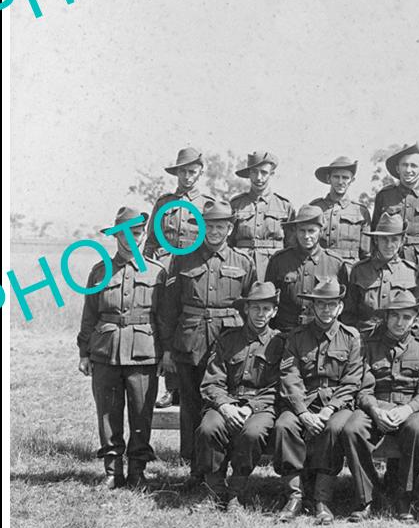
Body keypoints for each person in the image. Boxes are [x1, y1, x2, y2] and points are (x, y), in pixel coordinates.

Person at [157, 200, 256, 484]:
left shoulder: (243, 262)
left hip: (230, 344)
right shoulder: (183, 259)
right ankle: (196, 470)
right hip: (190, 343)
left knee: (227, 403)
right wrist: (166, 348)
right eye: (209, 226)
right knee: (191, 405)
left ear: (230, 228)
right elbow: (169, 309)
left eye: (220, 226)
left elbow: (251, 306)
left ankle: (228, 469)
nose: (214, 231)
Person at [77, 206, 164, 490]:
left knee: (141, 413)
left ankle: (137, 470)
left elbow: (164, 317)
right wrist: (84, 352)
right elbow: (90, 313)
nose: (132, 239)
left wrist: (166, 355)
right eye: (126, 234)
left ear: (142, 236)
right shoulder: (100, 271)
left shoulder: (157, 272)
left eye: (137, 233)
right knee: (108, 413)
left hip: (144, 352)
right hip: (106, 351)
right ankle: (112, 471)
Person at [340, 289, 419, 521]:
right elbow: (363, 388)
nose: (400, 322)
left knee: (417, 429)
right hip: (376, 406)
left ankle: (403, 497)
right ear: (386, 317)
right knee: (352, 429)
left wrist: (408, 409)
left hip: (410, 408)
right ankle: (366, 497)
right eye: (395, 316)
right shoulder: (369, 346)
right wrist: (375, 409)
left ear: (415, 321)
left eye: (406, 317)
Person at [273, 278, 364, 525]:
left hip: (337, 404)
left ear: (340, 307)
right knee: (284, 425)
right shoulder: (297, 336)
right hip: (302, 402)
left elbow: (352, 381)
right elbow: (289, 376)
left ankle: (322, 499)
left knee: (334, 428)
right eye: (321, 305)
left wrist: (329, 409)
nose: (326, 310)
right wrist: (302, 412)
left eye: (331, 304)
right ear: (312, 307)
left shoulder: (351, 337)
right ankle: (294, 496)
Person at [194, 282, 284, 511]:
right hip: (227, 402)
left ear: (274, 311)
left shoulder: (280, 343)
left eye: (266, 309)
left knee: (253, 433)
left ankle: (236, 492)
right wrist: (225, 406)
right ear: (246, 309)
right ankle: (215, 491)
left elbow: (278, 386)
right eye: (255, 308)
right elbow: (212, 381)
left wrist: (250, 408)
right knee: (208, 428)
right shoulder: (228, 339)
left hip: (261, 406)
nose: (260, 314)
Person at [144, 146, 214, 408]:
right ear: (177, 173)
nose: (188, 176)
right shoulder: (164, 203)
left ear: (200, 173)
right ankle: (171, 388)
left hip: (193, 271)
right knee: (167, 321)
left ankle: (198, 385)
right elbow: (151, 240)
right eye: (183, 171)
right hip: (166, 270)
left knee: (191, 321)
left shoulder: (207, 204)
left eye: (192, 172)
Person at [264, 205, 348, 332]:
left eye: (311, 231)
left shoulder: (335, 263)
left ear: (321, 231)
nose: (306, 236)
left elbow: (344, 306)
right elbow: (268, 301)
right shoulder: (279, 261)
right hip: (286, 332)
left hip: (321, 333)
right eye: (302, 231)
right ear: (295, 231)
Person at [371, 142, 419, 276]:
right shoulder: (385, 196)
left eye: (414, 166)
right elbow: (375, 234)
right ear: (398, 168)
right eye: (404, 165)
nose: (408, 170)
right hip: (390, 261)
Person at [345, 212, 419, 337]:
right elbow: (349, 314)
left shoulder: (412, 272)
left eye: (394, 239)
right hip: (366, 340)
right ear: (376, 240)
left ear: (402, 241)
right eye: (384, 239)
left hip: (398, 341)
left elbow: (418, 316)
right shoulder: (360, 270)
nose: (389, 245)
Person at [228, 151, 293, 280]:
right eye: (254, 172)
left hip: (273, 267)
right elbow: (229, 241)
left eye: (264, 172)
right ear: (249, 174)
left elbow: (291, 244)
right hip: (241, 266)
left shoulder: (284, 206)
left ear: (271, 174)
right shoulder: (236, 204)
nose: (259, 177)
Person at [312, 155, 371, 267]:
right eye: (336, 177)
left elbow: (366, 253)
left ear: (352, 180)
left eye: (345, 178)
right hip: (321, 267)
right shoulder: (315, 208)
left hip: (350, 269)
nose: (340, 182)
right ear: (328, 178)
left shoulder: (361, 211)